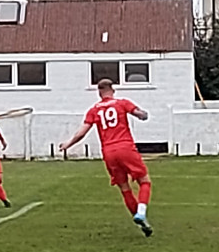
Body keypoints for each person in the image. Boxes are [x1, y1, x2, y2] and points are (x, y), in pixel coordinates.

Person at [59, 79, 153, 237]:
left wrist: (68, 144)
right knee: (144, 181)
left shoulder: (93, 110)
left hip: (109, 152)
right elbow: (139, 114)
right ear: (113, 90)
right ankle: (141, 212)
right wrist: (144, 115)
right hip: (125, 147)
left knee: (124, 188)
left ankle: (142, 222)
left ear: (99, 92)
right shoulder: (122, 103)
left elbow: (81, 133)